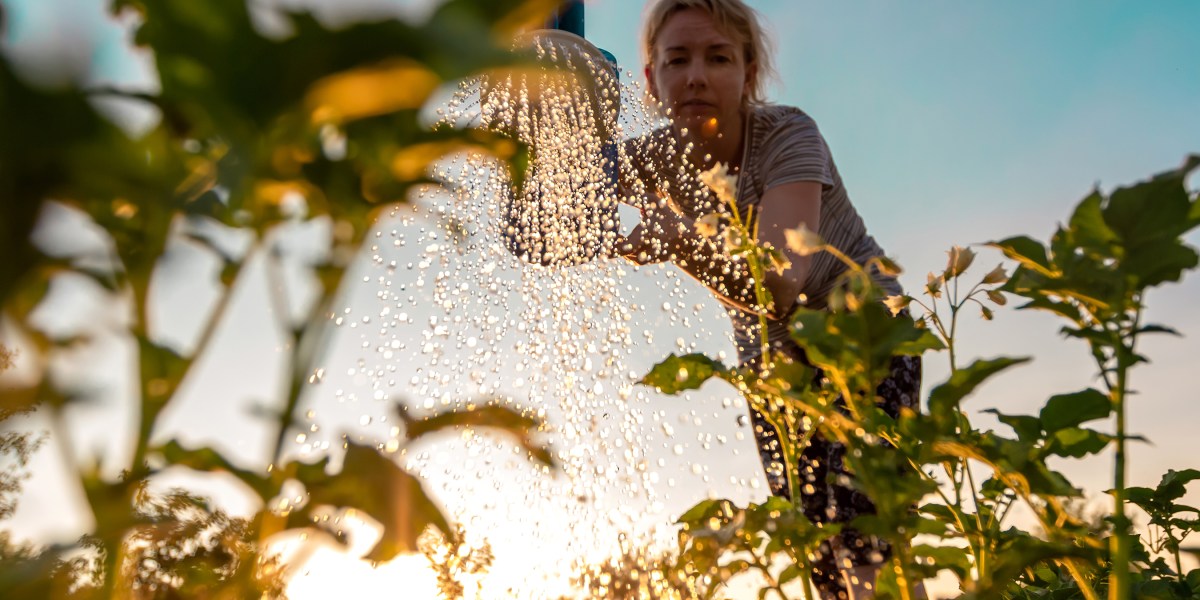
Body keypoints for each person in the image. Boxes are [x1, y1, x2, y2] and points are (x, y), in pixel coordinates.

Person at [617, 1, 924, 598]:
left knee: (864, 528)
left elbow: (782, 282)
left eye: (719, 57)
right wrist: (542, 105)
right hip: (775, 370)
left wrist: (677, 243)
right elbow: (563, 182)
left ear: (749, 71)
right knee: (813, 541)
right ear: (652, 79)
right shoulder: (655, 159)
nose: (696, 76)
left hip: (865, 333)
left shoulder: (787, 135)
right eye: (677, 60)